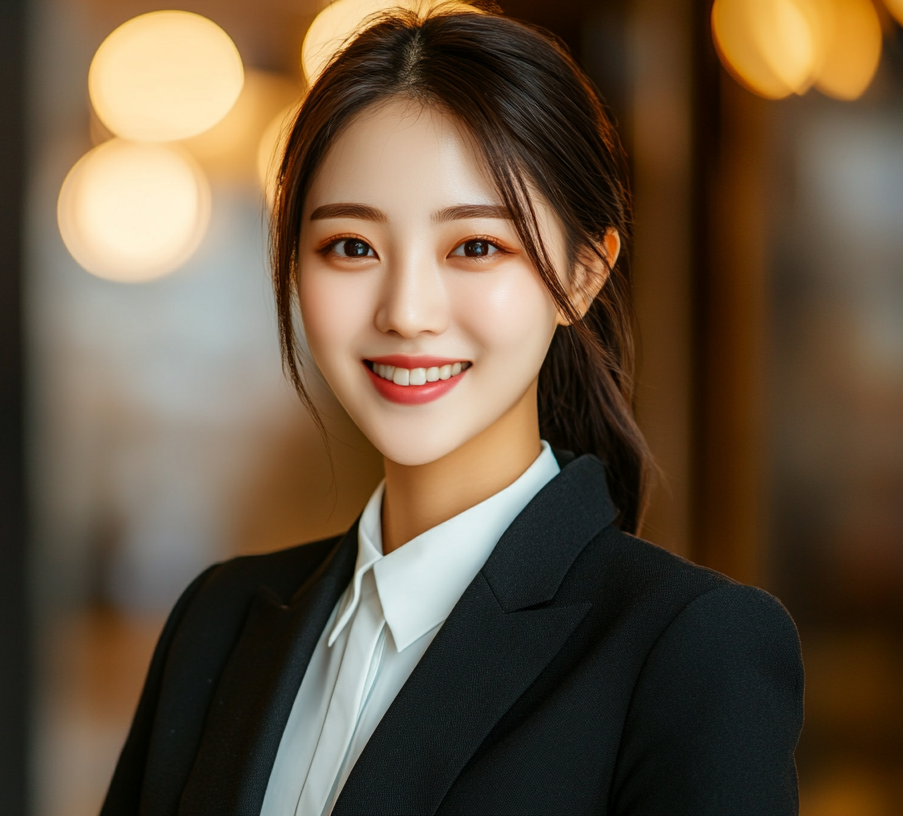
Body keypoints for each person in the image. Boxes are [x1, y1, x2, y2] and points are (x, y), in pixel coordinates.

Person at [100, 5, 803, 814]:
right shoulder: (218, 624)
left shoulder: (688, 648)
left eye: (475, 247)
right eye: (351, 247)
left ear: (582, 273)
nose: (406, 311)